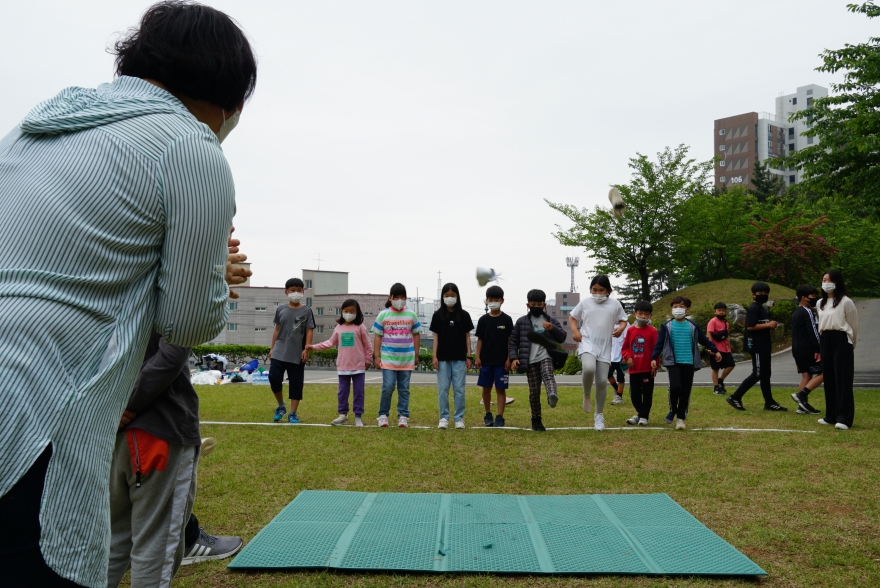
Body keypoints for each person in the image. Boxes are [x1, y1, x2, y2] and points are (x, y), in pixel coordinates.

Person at [0, 2, 256, 585]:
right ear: (225, 93)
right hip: (32, 412)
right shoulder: (190, 147)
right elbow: (191, 321)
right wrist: (211, 274)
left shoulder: (30, 131)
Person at [108, 331, 241, 587]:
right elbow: (172, 354)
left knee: (114, 541)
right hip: (158, 430)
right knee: (155, 546)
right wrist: (128, 402)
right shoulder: (169, 294)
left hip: (110, 431)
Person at [651, 296, 722, 430]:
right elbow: (659, 344)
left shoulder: (693, 326)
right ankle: (673, 410)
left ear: (688, 309)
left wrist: (715, 350)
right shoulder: (666, 326)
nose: (678, 309)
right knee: (675, 387)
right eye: (675, 306)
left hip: (689, 362)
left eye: (681, 307)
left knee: (685, 390)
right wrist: (654, 357)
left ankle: (681, 418)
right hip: (673, 362)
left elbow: (704, 340)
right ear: (671, 309)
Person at [568, 275, 628, 431]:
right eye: (594, 290)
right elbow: (573, 317)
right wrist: (575, 331)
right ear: (590, 289)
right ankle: (587, 394)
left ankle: (599, 415)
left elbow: (623, 320)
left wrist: (621, 329)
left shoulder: (615, 304)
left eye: (601, 290)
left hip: (605, 346)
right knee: (588, 368)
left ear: (608, 290)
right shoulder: (585, 303)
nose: (598, 293)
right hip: (587, 342)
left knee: (602, 381)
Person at [307, 299, 373, 427]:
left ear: (357, 312)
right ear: (342, 312)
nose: (349, 313)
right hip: (343, 366)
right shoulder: (338, 328)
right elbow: (329, 343)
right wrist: (313, 346)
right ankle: (343, 415)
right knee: (342, 392)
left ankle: (358, 416)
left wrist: (368, 360)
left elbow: (368, 346)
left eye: (352, 311)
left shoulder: (361, 327)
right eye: (346, 311)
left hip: (358, 366)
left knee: (358, 392)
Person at [726, 282, 788, 412]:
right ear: (754, 295)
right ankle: (735, 397)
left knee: (766, 374)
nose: (763, 295)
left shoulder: (762, 308)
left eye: (766, 293)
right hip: (757, 346)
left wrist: (770, 325)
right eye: (760, 293)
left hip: (764, 346)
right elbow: (750, 326)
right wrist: (768, 325)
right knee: (758, 373)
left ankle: (769, 402)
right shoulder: (754, 308)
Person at [510, 289, 566, 431]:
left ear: (544, 305)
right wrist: (514, 358)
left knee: (548, 375)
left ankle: (552, 395)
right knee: (534, 392)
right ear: (528, 305)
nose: (536, 306)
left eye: (539, 304)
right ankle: (536, 420)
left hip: (546, 355)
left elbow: (562, 337)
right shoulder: (521, 322)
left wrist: (552, 328)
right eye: (533, 304)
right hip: (529, 360)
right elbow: (513, 341)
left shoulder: (550, 320)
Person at [372, 283, 422, 428]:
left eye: (402, 297)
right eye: (397, 297)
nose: (399, 300)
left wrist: (416, 354)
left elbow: (416, 334)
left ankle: (403, 415)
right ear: (390, 298)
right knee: (387, 387)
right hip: (388, 359)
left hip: (406, 359)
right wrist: (377, 357)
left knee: (404, 388)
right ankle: (383, 415)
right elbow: (377, 336)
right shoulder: (383, 314)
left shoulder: (411, 314)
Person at [268, 278, 316, 424]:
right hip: (279, 351)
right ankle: (281, 406)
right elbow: (277, 329)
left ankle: (293, 413)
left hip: (297, 353)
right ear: (286, 292)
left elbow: (309, 330)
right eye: (292, 290)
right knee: (274, 378)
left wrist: (306, 349)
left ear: (303, 291)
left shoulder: (307, 310)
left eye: (298, 290)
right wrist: (272, 348)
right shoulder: (281, 309)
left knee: (296, 384)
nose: (295, 292)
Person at [817, 270, 859, 430]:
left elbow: (853, 324)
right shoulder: (820, 302)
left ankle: (845, 417)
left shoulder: (846, 302)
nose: (826, 282)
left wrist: (851, 343)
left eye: (830, 279)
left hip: (842, 338)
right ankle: (831, 415)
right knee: (829, 377)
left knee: (843, 379)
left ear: (837, 282)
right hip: (825, 338)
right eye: (824, 279)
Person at [430, 284, 474, 430]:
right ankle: (444, 417)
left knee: (459, 389)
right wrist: (434, 356)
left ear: (457, 296)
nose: (450, 298)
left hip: (460, 359)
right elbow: (435, 337)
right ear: (442, 297)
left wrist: (469, 356)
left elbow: (468, 337)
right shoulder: (437, 315)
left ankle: (459, 418)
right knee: (443, 389)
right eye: (447, 295)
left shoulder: (464, 315)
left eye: (453, 295)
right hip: (442, 359)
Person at [475, 286, 514, 427]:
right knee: (486, 388)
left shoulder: (507, 320)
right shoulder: (483, 320)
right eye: (490, 299)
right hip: (486, 361)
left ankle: (500, 417)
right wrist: (477, 356)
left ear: (502, 301)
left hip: (502, 362)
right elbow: (480, 340)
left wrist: (510, 358)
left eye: (496, 300)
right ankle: (488, 414)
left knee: (500, 389)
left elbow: (511, 341)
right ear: (486, 301)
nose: (493, 302)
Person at [621, 301, 658, 426]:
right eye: (640, 313)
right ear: (634, 314)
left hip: (647, 369)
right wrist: (628, 357)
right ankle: (640, 414)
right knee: (634, 394)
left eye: (646, 314)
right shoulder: (630, 330)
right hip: (634, 369)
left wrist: (655, 364)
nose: (642, 316)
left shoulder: (652, 331)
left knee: (647, 394)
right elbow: (625, 348)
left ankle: (643, 417)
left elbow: (656, 350)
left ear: (650, 316)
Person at [790, 285, 823, 415]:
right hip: (807, 349)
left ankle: (802, 406)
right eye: (812, 296)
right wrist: (819, 349)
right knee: (824, 372)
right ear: (803, 298)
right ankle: (802, 395)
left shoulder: (796, 312)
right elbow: (813, 331)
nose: (814, 298)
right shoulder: (807, 311)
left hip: (797, 349)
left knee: (806, 374)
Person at [707, 302, 736, 395]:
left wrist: (730, 348)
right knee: (715, 368)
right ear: (715, 311)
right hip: (715, 349)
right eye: (719, 311)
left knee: (731, 365)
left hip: (725, 349)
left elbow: (727, 336)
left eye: (723, 311)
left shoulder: (726, 323)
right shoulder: (712, 321)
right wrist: (711, 349)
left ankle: (720, 380)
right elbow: (709, 335)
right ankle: (716, 387)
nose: (721, 312)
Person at [608, 317, 629, 405]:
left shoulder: (626, 325)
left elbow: (628, 341)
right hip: (610, 356)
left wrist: (626, 356)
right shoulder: (609, 324)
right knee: (608, 374)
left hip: (621, 356)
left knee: (620, 377)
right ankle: (617, 390)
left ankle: (619, 397)